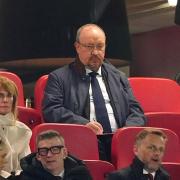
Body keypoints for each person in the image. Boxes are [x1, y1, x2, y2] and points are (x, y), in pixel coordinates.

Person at [42, 23, 146, 160]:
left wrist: (125, 133)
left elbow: (137, 112)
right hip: (82, 141)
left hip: (119, 140)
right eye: (90, 47)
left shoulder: (119, 77)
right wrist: (83, 125)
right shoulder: (59, 78)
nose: (95, 52)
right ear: (77, 47)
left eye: (100, 46)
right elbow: (51, 110)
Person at [10, 130, 92, 180]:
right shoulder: (27, 177)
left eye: (55, 149)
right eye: (43, 151)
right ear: (38, 156)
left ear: (65, 153)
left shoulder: (81, 175)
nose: (49, 155)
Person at [0, 76, 32, 174]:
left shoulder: (23, 131)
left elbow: (25, 167)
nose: (5, 100)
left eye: (9, 95)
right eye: (0, 95)